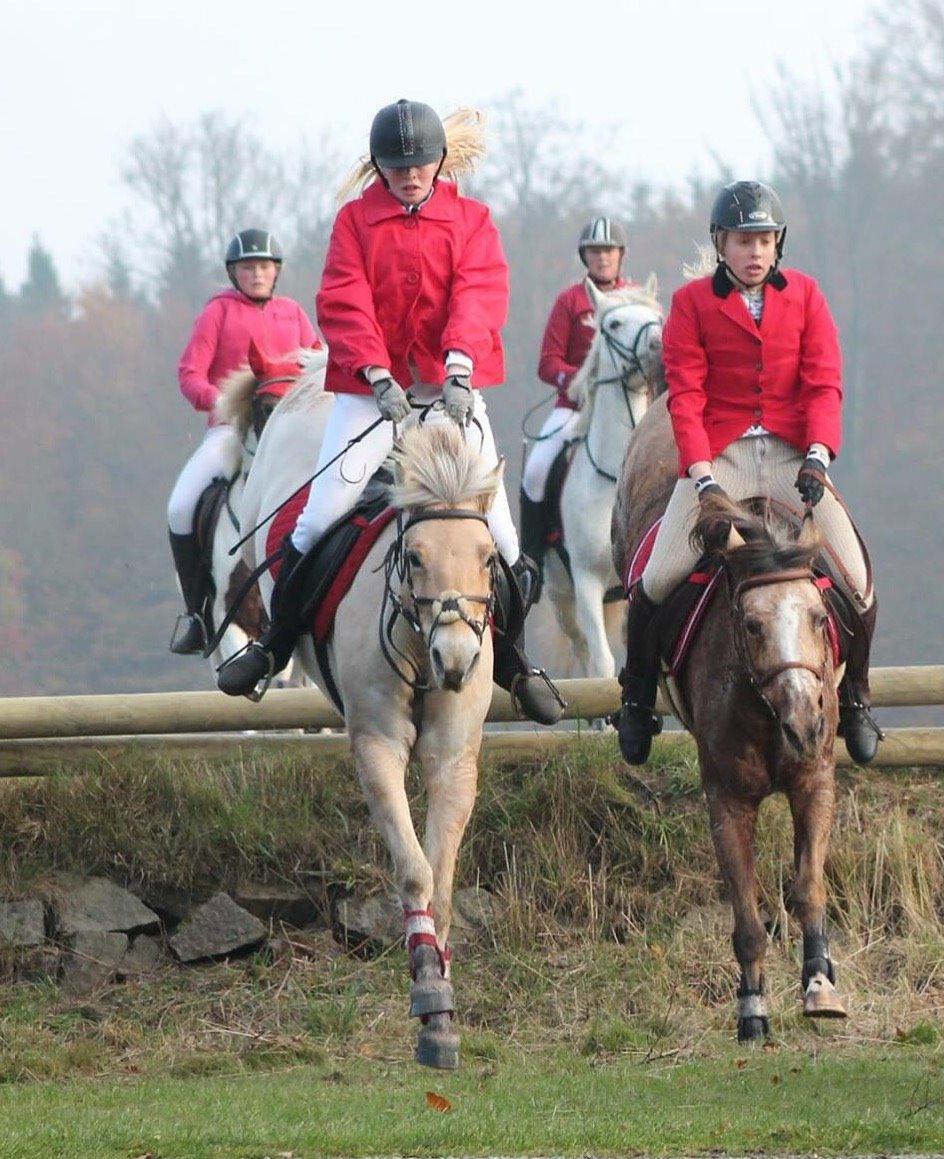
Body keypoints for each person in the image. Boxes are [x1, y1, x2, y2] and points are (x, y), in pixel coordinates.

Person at [215, 100, 563, 724]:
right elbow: (343, 298)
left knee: (505, 540)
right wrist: (376, 374)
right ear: (379, 165)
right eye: (396, 165)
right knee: (317, 520)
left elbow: (479, 294)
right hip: (369, 394)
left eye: (419, 163)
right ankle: (271, 649)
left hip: (449, 390)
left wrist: (458, 368)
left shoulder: (473, 219)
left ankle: (512, 658)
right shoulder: (354, 221)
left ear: (439, 162)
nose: (408, 175)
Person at [612, 180, 880, 766]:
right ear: (720, 243)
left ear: (777, 244)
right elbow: (685, 395)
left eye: (763, 240)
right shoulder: (690, 304)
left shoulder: (807, 296)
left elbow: (824, 382)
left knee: (856, 577)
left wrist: (818, 453)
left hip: (789, 453)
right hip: (723, 454)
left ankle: (856, 695)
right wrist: (703, 478)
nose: (754, 252)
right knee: (656, 579)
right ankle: (635, 698)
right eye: (742, 241)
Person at [166, 229, 317, 655]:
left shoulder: (293, 314)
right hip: (230, 432)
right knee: (180, 506)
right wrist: (221, 403)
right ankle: (197, 612)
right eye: (248, 267)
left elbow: (316, 363)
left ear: (276, 272)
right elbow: (190, 373)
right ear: (234, 273)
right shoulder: (217, 313)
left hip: (288, 435)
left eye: (265, 266)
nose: (257, 274)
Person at [520, 218, 632, 568]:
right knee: (535, 472)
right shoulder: (569, 302)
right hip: (574, 408)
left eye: (608, 251)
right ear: (586, 256)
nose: (602, 258)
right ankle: (532, 562)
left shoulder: (634, 300)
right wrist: (582, 380)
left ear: (620, 255)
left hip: (624, 411)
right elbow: (547, 362)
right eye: (595, 251)